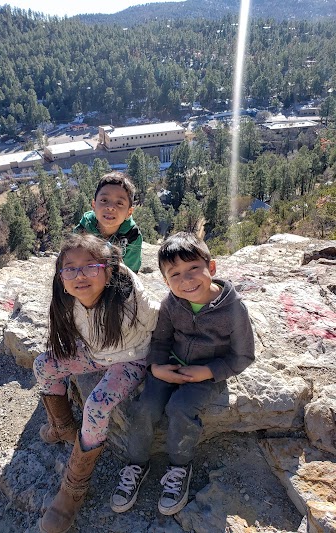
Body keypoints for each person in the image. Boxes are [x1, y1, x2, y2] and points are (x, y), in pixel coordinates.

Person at [111, 232, 255, 516]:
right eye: (174, 274)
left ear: (211, 268)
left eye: (193, 269)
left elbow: (242, 356)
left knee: (180, 409)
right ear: (166, 281)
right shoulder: (171, 304)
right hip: (170, 365)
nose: (186, 280)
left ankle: (179, 468)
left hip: (206, 373)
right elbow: (161, 340)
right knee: (145, 408)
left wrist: (208, 372)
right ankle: (136, 463)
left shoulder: (233, 309)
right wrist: (156, 366)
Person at [33, 233, 159, 533]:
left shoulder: (130, 300)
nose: (80, 275)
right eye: (70, 269)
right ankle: (64, 428)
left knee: (97, 406)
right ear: (61, 276)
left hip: (131, 359)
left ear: (109, 269)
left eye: (91, 266)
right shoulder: (68, 297)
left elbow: (160, 315)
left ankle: (73, 490)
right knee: (44, 365)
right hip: (96, 353)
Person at [74, 171, 142, 273]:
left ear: (129, 212)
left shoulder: (132, 235)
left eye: (119, 203)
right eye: (104, 200)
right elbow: (73, 260)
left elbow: (130, 271)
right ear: (94, 205)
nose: (110, 207)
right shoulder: (84, 228)